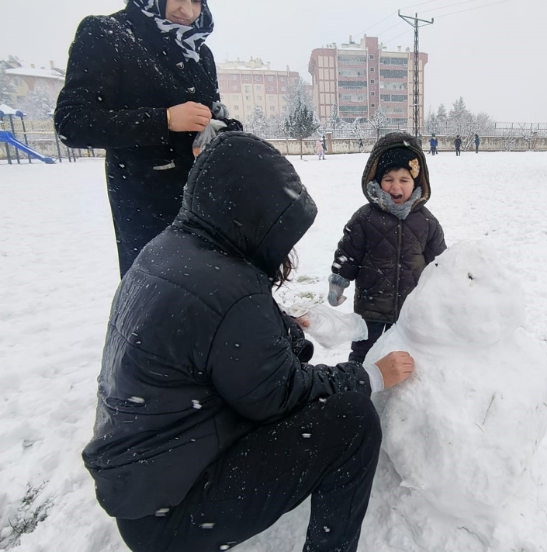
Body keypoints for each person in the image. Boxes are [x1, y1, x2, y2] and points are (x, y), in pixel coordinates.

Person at [83, 131, 415, 552]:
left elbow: (238, 357)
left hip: (143, 491)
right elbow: (282, 395)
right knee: (353, 419)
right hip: (173, 516)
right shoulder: (232, 292)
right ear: (254, 215)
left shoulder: (168, 252)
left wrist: (283, 327)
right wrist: (367, 376)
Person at [54, 0, 240, 279]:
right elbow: (72, 123)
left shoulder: (198, 52)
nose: (188, 10)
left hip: (205, 207)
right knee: (159, 309)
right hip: (147, 212)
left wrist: (219, 130)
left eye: (197, 0)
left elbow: (212, 111)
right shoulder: (107, 34)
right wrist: (165, 120)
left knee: (209, 303)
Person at [327, 132, 447, 363]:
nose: (395, 186)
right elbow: (348, 255)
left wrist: (445, 292)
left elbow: (439, 263)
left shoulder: (427, 222)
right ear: (377, 180)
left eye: (404, 180)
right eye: (388, 179)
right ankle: (358, 391)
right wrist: (337, 283)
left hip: (409, 308)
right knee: (363, 354)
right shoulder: (364, 218)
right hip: (370, 305)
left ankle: (396, 397)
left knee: (403, 356)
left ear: (416, 183)